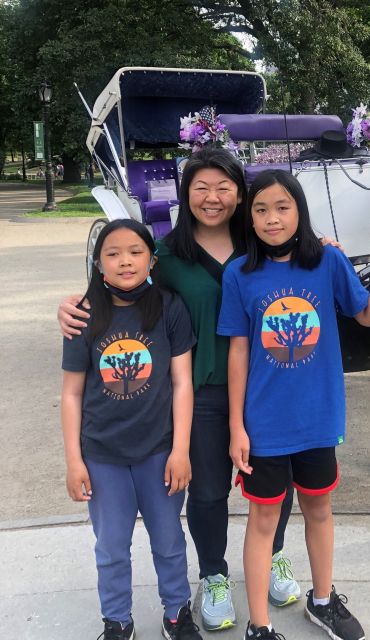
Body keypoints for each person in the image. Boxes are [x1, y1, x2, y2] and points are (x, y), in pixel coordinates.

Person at [57, 149, 301, 633]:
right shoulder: (165, 255)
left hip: (268, 387)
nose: (212, 198)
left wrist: (324, 245)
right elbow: (120, 288)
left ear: (240, 192)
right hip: (204, 392)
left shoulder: (264, 243)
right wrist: (72, 306)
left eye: (224, 187)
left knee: (277, 484)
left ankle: (272, 556)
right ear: (186, 193)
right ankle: (213, 574)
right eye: (201, 187)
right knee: (207, 491)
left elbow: (307, 268)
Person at [217, 170, 370, 640]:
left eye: (282, 207)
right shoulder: (239, 274)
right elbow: (237, 352)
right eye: (260, 210)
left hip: (317, 418)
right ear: (248, 217)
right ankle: (259, 625)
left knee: (319, 510)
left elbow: (367, 311)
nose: (272, 219)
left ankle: (322, 600)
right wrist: (237, 426)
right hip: (265, 425)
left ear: (299, 211)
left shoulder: (327, 263)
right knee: (263, 522)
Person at [61, 219, 201, 640]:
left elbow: (182, 383)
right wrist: (73, 461)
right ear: (98, 263)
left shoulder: (169, 307)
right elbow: (71, 394)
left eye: (136, 252)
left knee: (169, 540)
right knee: (111, 548)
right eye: (114, 253)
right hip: (102, 455)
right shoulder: (83, 316)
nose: (125, 261)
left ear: (151, 260)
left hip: (158, 451)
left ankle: (177, 612)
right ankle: (117, 620)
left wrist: (180, 450)